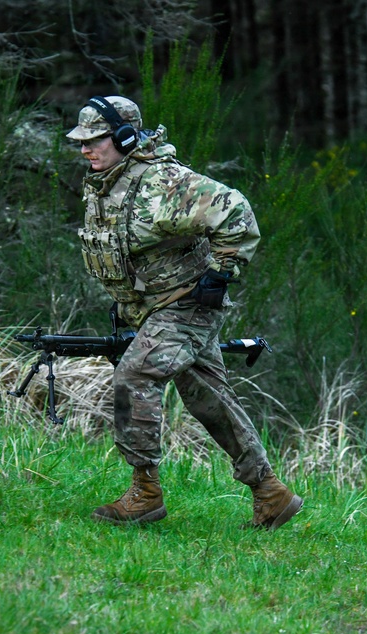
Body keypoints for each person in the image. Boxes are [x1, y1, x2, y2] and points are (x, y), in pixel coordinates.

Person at [66, 95, 303, 530]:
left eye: (96, 141)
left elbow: (236, 211)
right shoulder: (106, 184)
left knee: (134, 377)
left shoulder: (164, 183)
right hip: (153, 309)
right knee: (208, 397)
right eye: (81, 141)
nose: (86, 149)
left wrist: (221, 274)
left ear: (123, 136)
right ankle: (271, 493)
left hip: (187, 306)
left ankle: (145, 493)